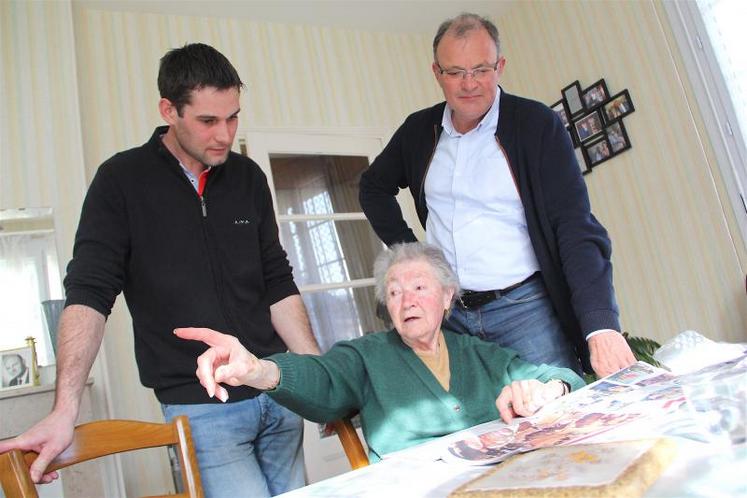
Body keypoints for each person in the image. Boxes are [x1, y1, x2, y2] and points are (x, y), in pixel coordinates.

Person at [0, 43, 320, 498]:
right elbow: (89, 293)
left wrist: (314, 374)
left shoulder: (249, 178)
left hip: (273, 386)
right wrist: (64, 408)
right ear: (169, 109)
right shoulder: (121, 181)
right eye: (208, 121)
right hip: (204, 407)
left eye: (233, 117)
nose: (225, 135)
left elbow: (276, 280)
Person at [358, 13, 635, 378]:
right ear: (437, 73)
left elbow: (575, 226)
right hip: (449, 314)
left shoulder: (536, 125)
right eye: (455, 72)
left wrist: (601, 324)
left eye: (481, 70)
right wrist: (413, 253)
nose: (469, 84)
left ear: (500, 67)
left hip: (525, 309)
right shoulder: (417, 131)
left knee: (555, 419)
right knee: (477, 425)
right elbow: (373, 187)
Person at [176, 242, 585, 461]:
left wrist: (548, 391)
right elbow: (323, 382)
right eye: (394, 292)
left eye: (419, 288)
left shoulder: (477, 352)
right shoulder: (365, 356)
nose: (406, 301)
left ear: (446, 297)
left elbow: (558, 376)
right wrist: (257, 370)